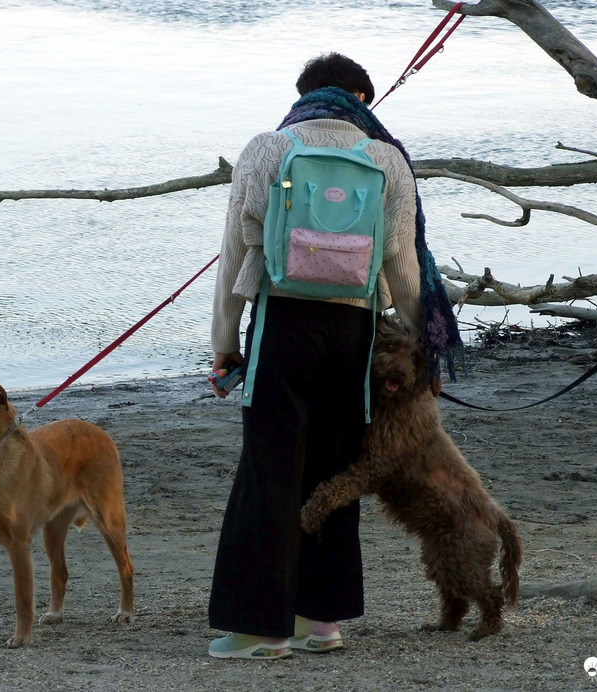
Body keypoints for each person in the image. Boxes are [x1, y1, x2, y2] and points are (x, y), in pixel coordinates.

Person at [207, 52, 462, 660]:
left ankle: (260, 630)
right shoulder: (386, 158)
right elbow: (402, 267)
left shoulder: (267, 148)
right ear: (362, 99)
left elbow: (232, 256)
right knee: (334, 470)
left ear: (301, 95)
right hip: (356, 334)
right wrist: (424, 347)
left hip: (282, 325)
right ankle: (319, 623)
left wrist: (223, 346)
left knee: (270, 473)